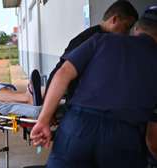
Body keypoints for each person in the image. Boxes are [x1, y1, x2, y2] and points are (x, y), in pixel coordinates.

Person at [30, 5, 157, 168]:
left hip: (76, 129)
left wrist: (43, 120)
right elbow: (153, 139)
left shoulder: (100, 40)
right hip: (124, 139)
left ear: (138, 29)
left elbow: (62, 73)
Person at [44, 0, 138, 101]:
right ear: (114, 19)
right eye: (126, 27)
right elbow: (60, 71)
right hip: (80, 106)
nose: (127, 34)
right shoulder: (88, 39)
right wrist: (48, 111)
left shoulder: (110, 42)